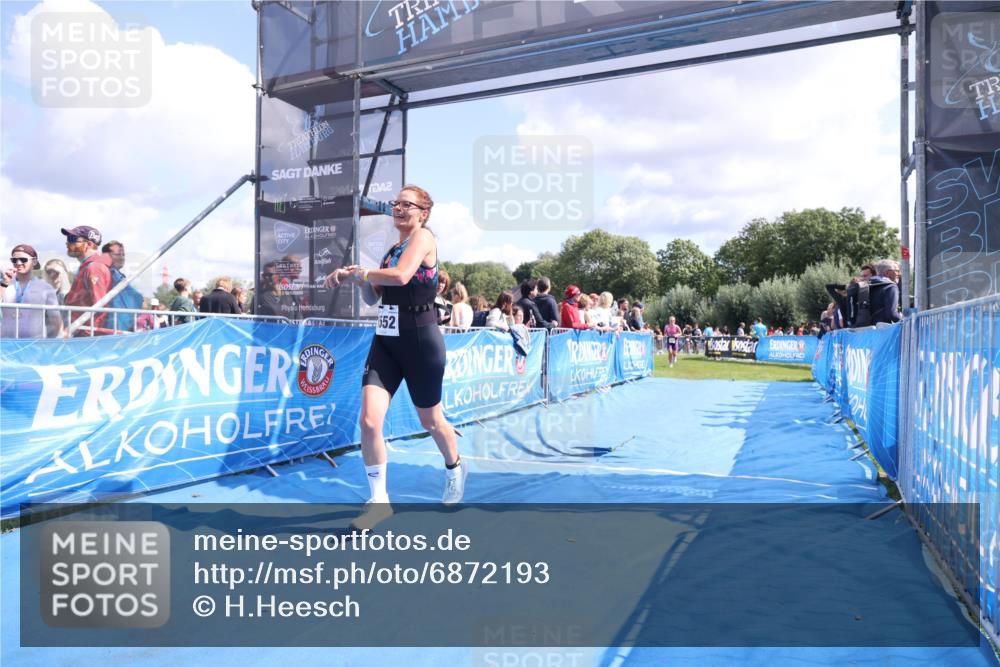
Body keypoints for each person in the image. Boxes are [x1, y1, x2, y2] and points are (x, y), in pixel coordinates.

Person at [323, 185, 465, 529]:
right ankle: (379, 501)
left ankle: (454, 466)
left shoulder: (424, 239)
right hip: (386, 342)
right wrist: (355, 279)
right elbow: (374, 299)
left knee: (430, 420)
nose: (398, 208)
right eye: (395, 204)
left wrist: (360, 271)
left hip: (421, 341)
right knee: (370, 421)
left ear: (423, 212)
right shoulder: (391, 251)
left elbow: (402, 276)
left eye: (406, 204)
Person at [1, 244, 62, 338]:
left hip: (34, 346)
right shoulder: (4, 284)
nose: (18, 263)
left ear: (34, 262)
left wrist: (55, 345)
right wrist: (4, 283)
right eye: (14, 260)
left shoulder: (45, 287)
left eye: (23, 259)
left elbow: (56, 320)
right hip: (6, 345)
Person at [62, 225, 113, 334]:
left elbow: (100, 307)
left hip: (87, 337)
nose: (67, 243)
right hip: (81, 333)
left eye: (72, 239)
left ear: (89, 244)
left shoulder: (94, 268)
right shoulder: (88, 267)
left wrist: (88, 337)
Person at [870, 258, 902, 324]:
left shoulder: (871, 285)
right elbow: (892, 314)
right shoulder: (891, 287)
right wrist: (904, 321)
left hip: (866, 329)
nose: (899, 274)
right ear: (888, 272)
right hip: (883, 330)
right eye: (897, 271)